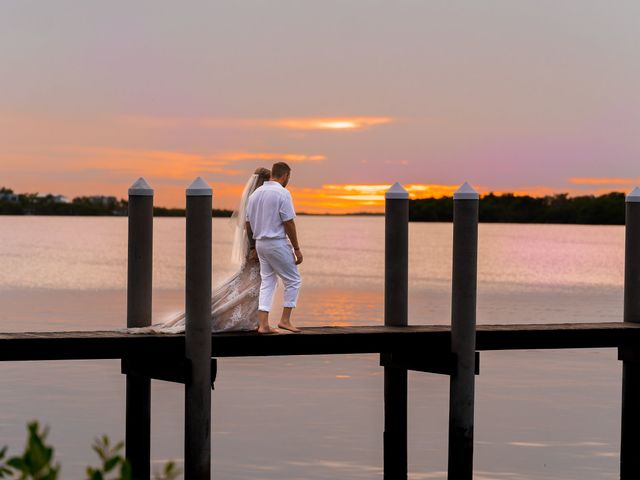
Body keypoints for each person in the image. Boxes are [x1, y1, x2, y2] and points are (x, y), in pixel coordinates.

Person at [125, 167, 272, 334]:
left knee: (249, 282)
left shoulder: (255, 198)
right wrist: (254, 246)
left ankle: (247, 317)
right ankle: (238, 318)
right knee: (254, 283)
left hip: (255, 243)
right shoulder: (257, 198)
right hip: (254, 243)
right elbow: (248, 223)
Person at [245, 161, 303, 334]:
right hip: (276, 242)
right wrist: (297, 248)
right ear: (284, 175)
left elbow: (248, 224)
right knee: (293, 280)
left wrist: (253, 246)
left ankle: (263, 325)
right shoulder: (282, 193)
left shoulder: (255, 194)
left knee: (268, 282)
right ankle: (285, 320)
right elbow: (289, 222)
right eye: (288, 177)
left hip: (261, 244)